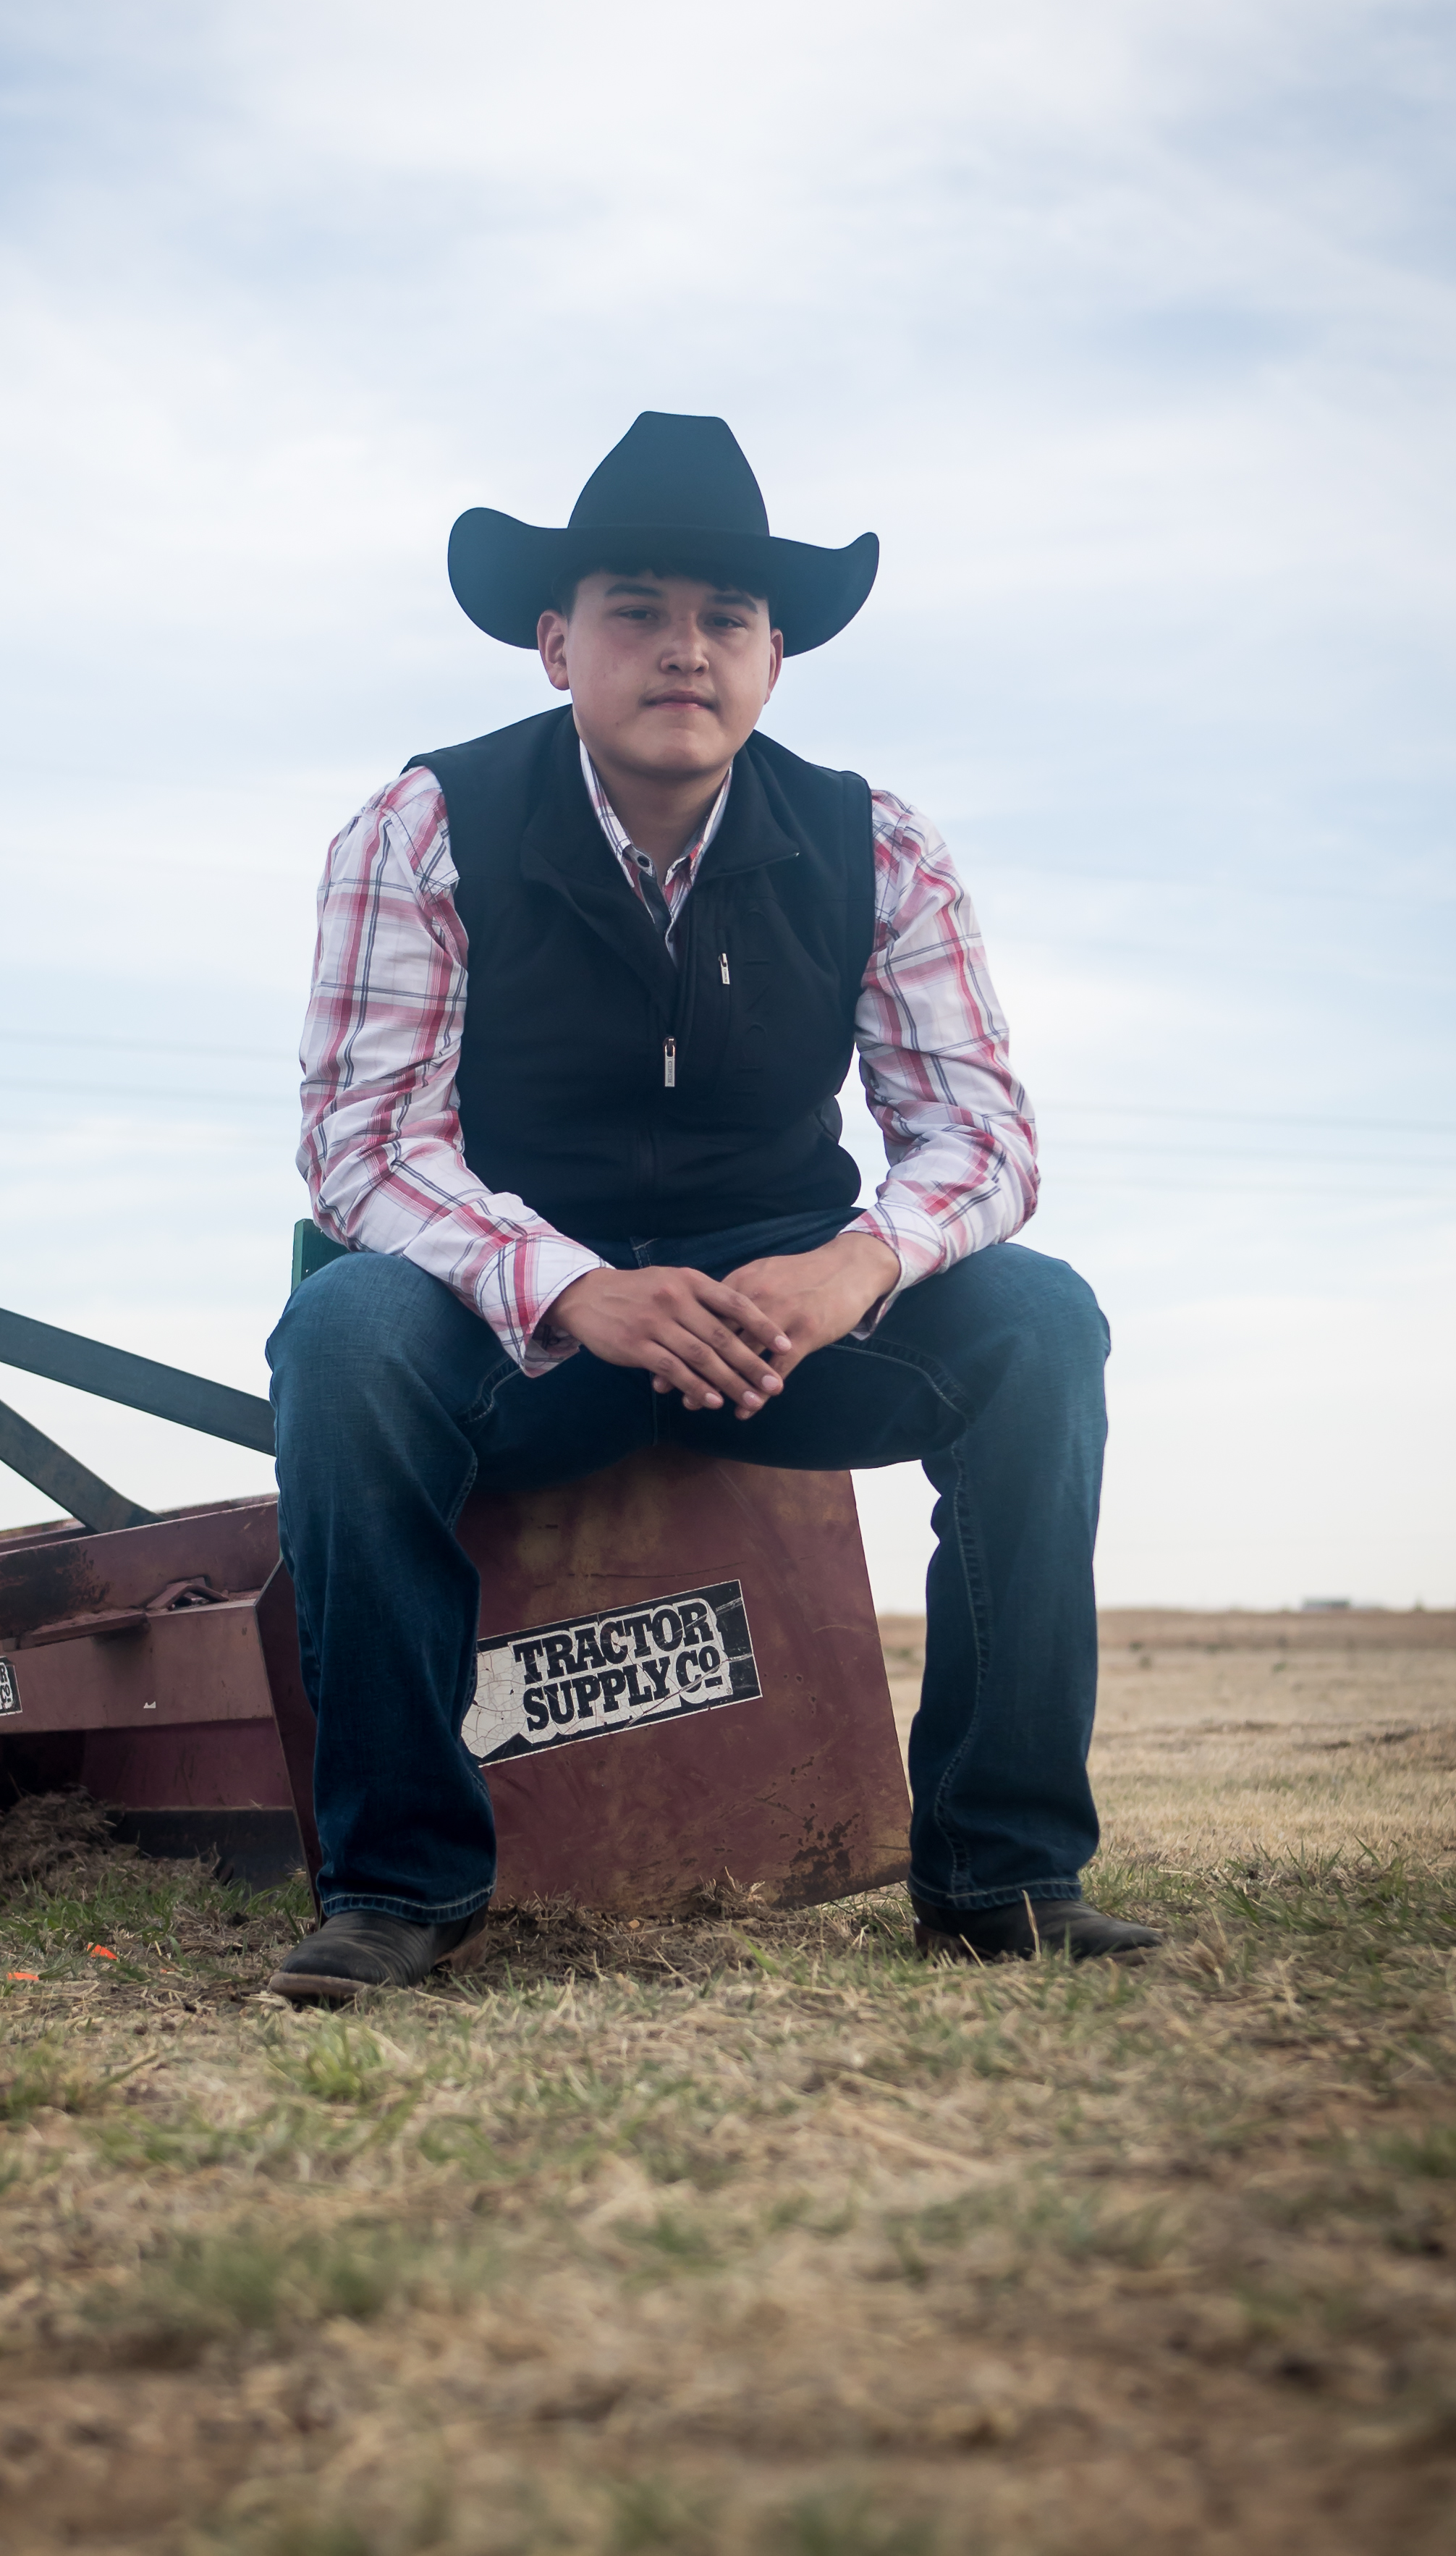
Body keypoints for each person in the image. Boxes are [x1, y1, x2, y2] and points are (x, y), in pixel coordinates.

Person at [263, 411, 1157, 2002]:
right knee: (341, 1333)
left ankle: (1002, 1871)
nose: (685, 649)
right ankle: (400, 1889)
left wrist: (856, 1267)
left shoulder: (877, 844)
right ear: (555, 646)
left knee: (1036, 1321)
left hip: (778, 1328)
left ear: (773, 657)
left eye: (725, 619)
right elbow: (362, 1147)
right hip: (518, 1334)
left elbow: (981, 1138)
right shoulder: (419, 827)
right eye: (637, 611)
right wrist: (567, 1287)